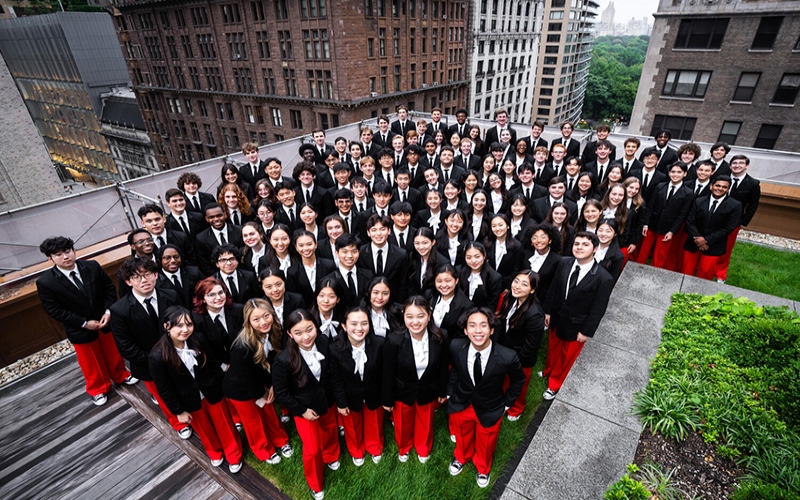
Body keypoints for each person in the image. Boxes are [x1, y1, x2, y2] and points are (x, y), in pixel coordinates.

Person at [37, 236, 135, 406]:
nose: (65, 257)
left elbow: (109, 288)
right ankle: (98, 388)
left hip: (103, 319)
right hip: (79, 327)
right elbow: (54, 310)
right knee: (90, 361)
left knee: (113, 351)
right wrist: (83, 322)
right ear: (50, 258)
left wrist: (108, 311)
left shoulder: (92, 266)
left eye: (68, 251)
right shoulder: (46, 282)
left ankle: (120, 375)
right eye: (58, 254)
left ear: (74, 251)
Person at [149, 306, 244, 472]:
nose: (185, 330)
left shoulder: (198, 339)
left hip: (211, 391)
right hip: (188, 399)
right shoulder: (157, 356)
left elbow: (213, 364)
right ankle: (214, 451)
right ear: (167, 326)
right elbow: (164, 388)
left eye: (189, 324)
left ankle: (233, 453)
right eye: (179, 325)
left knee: (224, 422)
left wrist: (223, 387)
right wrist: (178, 411)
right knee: (203, 427)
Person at [446, 307, 525, 488]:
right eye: (472, 326)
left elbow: (518, 380)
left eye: (483, 325)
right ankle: (461, 456)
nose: (478, 331)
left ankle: (483, 466)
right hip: (462, 402)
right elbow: (456, 370)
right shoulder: (456, 347)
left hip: (491, 406)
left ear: (492, 330)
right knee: (462, 433)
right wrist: (451, 391)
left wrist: (507, 403)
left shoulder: (507, 356)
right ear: (465, 331)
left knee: (486, 439)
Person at [110, 258, 187, 436]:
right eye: (137, 277)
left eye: (147, 275)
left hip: (179, 354)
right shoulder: (119, 310)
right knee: (163, 394)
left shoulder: (170, 295)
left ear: (155, 275)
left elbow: (183, 323)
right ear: (128, 282)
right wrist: (158, 360)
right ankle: (178, 424)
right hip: (148, 364)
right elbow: (126, 347)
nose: (143, 280)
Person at [273, 309, 341, 500]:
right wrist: (302, 411)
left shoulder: (324, 342)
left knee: (330, 429)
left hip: (326, 401)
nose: (306, 336)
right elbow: (282, 393)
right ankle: (315, 483)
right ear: (290, 334)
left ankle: (331, 454)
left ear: (316, 327)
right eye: (298, 333)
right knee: (312, 449)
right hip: (304, 408)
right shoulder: (283, 360)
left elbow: (332, 374)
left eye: (309, 329)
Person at [542, 232, 614, 400]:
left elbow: (598, 309)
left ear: (595, 249)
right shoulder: (564, 262)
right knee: (553, 347)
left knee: (567, 356)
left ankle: (554, 384)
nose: (579, 247)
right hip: (557, 317)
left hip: (576, 326)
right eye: (577, 244)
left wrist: (586, 331)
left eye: (585, 244)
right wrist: (548, 311)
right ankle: (548, 370)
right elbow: (554, 288)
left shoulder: (603, 278)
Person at [223, 299, 293, 466]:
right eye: (256, 319)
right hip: (240, 389)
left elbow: (275, 362)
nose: (263, 322)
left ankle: (281, 441)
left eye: (266, 316)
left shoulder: (276, 331)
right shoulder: (241, 347)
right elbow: (245, 377)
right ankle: (264, 450)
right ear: (248, 322)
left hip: (261, 382)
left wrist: (273, 386)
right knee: (253, 421)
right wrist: (260, 395)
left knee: (270, 413)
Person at [382, 296, 449, 463]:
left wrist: (442, 391)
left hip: (428, 389)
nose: (415, 322)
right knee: (403, 422)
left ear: (429, 315)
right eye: (409, 316)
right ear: (403, 316)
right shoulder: (394, 339)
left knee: (425, 422)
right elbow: (387, 372)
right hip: (402, 391)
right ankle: (404, 448)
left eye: (420, 316)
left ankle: (423, 448)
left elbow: (443, 367)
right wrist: (387, 399)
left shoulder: (441, 337)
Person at [329, 306, 386, 466]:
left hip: (373, 393)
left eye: (364, 323)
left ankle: (375, 446)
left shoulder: (379, 343)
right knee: (352, 426)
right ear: (344, 326)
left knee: (374, 422)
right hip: (350, 395)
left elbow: (384, 373)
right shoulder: (335, 349)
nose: (359, 328)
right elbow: (336, 379)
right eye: (354, 324)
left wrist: (385, 397)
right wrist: (341, 402)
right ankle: (356, 450)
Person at [497, 271, 545, 420]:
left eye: (524, 284)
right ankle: (504, 401)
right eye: (516, 281)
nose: (517, 286)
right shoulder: (510, 298)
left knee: (518, 385)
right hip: (506, 350)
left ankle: (516, 409)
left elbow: (531, 345)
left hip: (521, 358)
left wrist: (514, 362)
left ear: (532, 290)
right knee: (504, 381)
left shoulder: (535, 314)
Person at [682, 176, 742, 280]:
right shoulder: (698, 201)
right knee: (686, 271)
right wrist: (697, 238)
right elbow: (690, 221)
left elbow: (729, 227)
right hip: (693, 241)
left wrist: (706, 240)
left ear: (728, 189)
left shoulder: (735, 205)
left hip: (714, 245)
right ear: (711, 186)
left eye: (724, 187)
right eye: (717, 185)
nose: (720, 188)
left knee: (705, 272)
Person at [637, 162, 693, 268]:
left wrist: (672, 231)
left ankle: (656, 271)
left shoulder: (688, 193)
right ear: (669, 173)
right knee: (644, 251)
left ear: (685, 174)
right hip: (652, 224)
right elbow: (650, 206)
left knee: (660, 254)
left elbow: (682, 214)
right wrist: (646, 224)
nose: (675, 174)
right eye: (673, 172)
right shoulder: (660, 186)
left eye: (679, 172)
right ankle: (637, 268)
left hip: (668, 228)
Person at [715, 155, 760, 283]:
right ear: (730, 166)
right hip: (714, 217)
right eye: (734, 163)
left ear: (747, 165)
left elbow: (753, 205)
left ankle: (720, 273)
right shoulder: (721, 178)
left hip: (733, 222)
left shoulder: (753, 184)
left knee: (726, 248)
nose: (737, 165)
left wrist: (743, 221)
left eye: (741, 163)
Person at [191, 277, 243, 367]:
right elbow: (204, 350)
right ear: (202, 299)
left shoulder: (239, 310)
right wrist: (222, 366)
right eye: (211, 295)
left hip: (243, 361)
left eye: (220, 292)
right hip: (217, 368)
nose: (218, 298)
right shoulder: (197, 320)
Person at [357, 214, 408, 302]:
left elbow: (403, 284)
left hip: (393, 303)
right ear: (368, 233)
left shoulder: (401, 254)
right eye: (374, 230)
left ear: (389, 231)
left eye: (382, 229)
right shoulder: (360, 253)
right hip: (366, 303)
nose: (378, 234)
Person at [287, 230, 336, 308]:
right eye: (301, 245)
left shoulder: (329, 265)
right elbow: (293, 296)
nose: (306, 248)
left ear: (316, 244)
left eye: (309, 244)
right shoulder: (292, 271)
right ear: (296, 248)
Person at [195, 203, 244, 276]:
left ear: (224, 214)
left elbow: (243, 254)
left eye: (219, 215)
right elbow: (205, 264)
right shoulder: (201, 238)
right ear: (207, 219)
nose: (216, 219)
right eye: (211, 217)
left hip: (241, 274)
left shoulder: (239, 230)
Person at [522, 224, 562, 302]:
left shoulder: (557, 260)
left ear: (550, 240)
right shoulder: (525, 254)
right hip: (522, 297)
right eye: (534, 238)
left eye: (543, 237)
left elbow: (553, 287)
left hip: (542, 301)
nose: (539, 240)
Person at [459, 242, 503, 310]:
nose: (473, 261)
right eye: (469, 257)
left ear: (484, 256)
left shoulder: (495, 278)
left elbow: (491, 306)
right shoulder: (459, 272)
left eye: (477, 257)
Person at [484, 214, 523, 289]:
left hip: (505, 285)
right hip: (488, 282)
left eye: (500, 225)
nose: (497, 228)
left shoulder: (517, 246)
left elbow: (516, 269)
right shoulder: (487, 242)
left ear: (508, 226)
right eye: (494, 226)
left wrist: (508, 287)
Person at [594, 219, 625, 283]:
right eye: (600, 230)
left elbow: (611, 280)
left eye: (608, 231)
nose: (603, 234)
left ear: (615, 234)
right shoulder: (589, 246)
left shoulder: (617, 256)